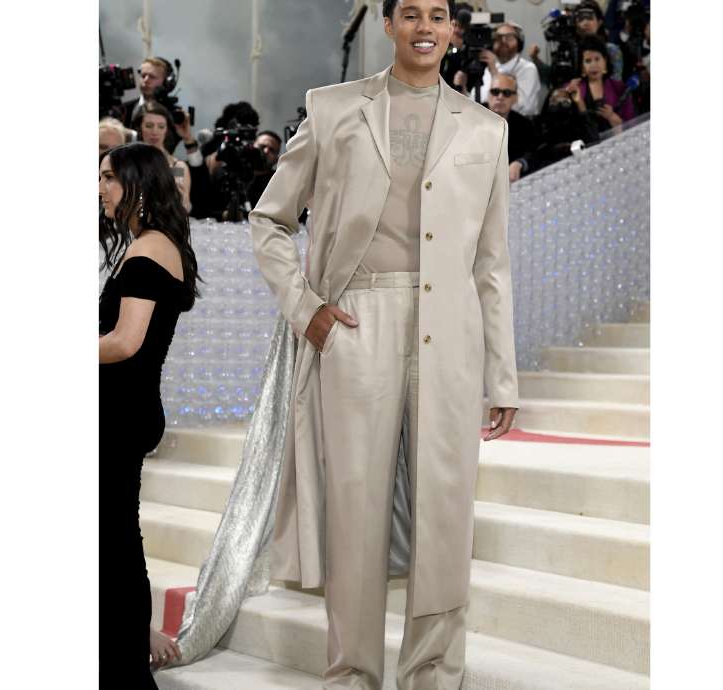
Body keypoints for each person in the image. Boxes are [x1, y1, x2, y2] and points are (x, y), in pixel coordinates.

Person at [249, 0, 519, 687]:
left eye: (438, 14)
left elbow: (491, 265)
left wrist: (503, 374)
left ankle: (432, 675)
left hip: (451, 336)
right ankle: (352, 675)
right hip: (357, 324)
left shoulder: (486, 130)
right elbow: (270, 220)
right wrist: (304, 307)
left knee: (445, 512)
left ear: (453, 29)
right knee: (356, 513)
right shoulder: (334, 108)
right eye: (410, 14)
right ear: (390, 25)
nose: (425, 27)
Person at [99, 142, 202, 687]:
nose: (101, 189)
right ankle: (128, 642)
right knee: (113, 535)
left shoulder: (147, 251)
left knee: (110, 538)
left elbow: (123, 341)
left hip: (117, 412)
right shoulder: (157, 245)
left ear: (138, 182)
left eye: (109, 178)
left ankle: (120, 660)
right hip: (126, 408)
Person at [463, 20, 543, 116]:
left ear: (519, 43)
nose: (503, 41)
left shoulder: (528, 69)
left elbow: (526, 107)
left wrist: (495, 74)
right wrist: (463, 90)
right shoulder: (488, 67)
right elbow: (479, 101)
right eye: (498, 38)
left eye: (509, 37)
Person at [569, 35, 636, 136]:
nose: (593, 65)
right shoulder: (575, 87)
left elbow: (633, 129)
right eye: (588, 61)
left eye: (597, 59)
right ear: (582, 67)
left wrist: (612, 117)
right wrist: (578, 101)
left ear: (605, 61)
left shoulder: (620, 89)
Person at [135, 101, 193, 214]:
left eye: (161, 127)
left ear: (166, 130)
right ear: (140, 128)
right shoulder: (128, 162)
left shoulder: (177, 166)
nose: (155, 132)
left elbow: (184, 207)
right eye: (149, 126)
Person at [485, 74, 539, 182]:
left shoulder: (525, 125)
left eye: (507, 93)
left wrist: (520, 163)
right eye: (495, 92)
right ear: (488, 95)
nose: (500, 97)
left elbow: (534, 152)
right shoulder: (470, 118)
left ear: (515, 98)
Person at [574, 0, 626, 81]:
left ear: (599, 22)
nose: (585, 23)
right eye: (581, 19)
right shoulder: (572, 50)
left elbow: (615, 83)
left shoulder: (611, 50)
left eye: (589, 18)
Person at [123, 56, 170, 128]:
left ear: (164, 82)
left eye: (152, 77)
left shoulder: (171, 112)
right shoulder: (125, 109)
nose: (146, 80)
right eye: (143, 76)